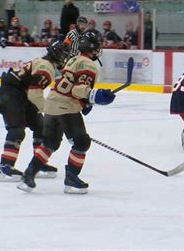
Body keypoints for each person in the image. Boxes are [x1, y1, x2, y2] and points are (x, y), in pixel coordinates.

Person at [17, 32, 116, 194]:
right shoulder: (89, 65)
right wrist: (94, 95)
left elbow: (70, 86)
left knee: (50, 143)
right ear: (93, 47)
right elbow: (78, 89)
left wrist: (86, 103)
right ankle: (71, 180)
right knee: (81, 142)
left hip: (51, 105)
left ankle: (28, 175)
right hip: (66, 107)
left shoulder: (72, 60)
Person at [0, 40, 69, 182]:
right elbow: (34, 94)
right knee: (16, 130)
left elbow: (32, 93)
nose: (66, 58)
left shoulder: (43, 63)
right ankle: (4, 167)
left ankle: (39, 163)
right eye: (64, 55)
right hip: (12, 94)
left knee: (41, 126)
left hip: (19, 94)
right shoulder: (46, 68)